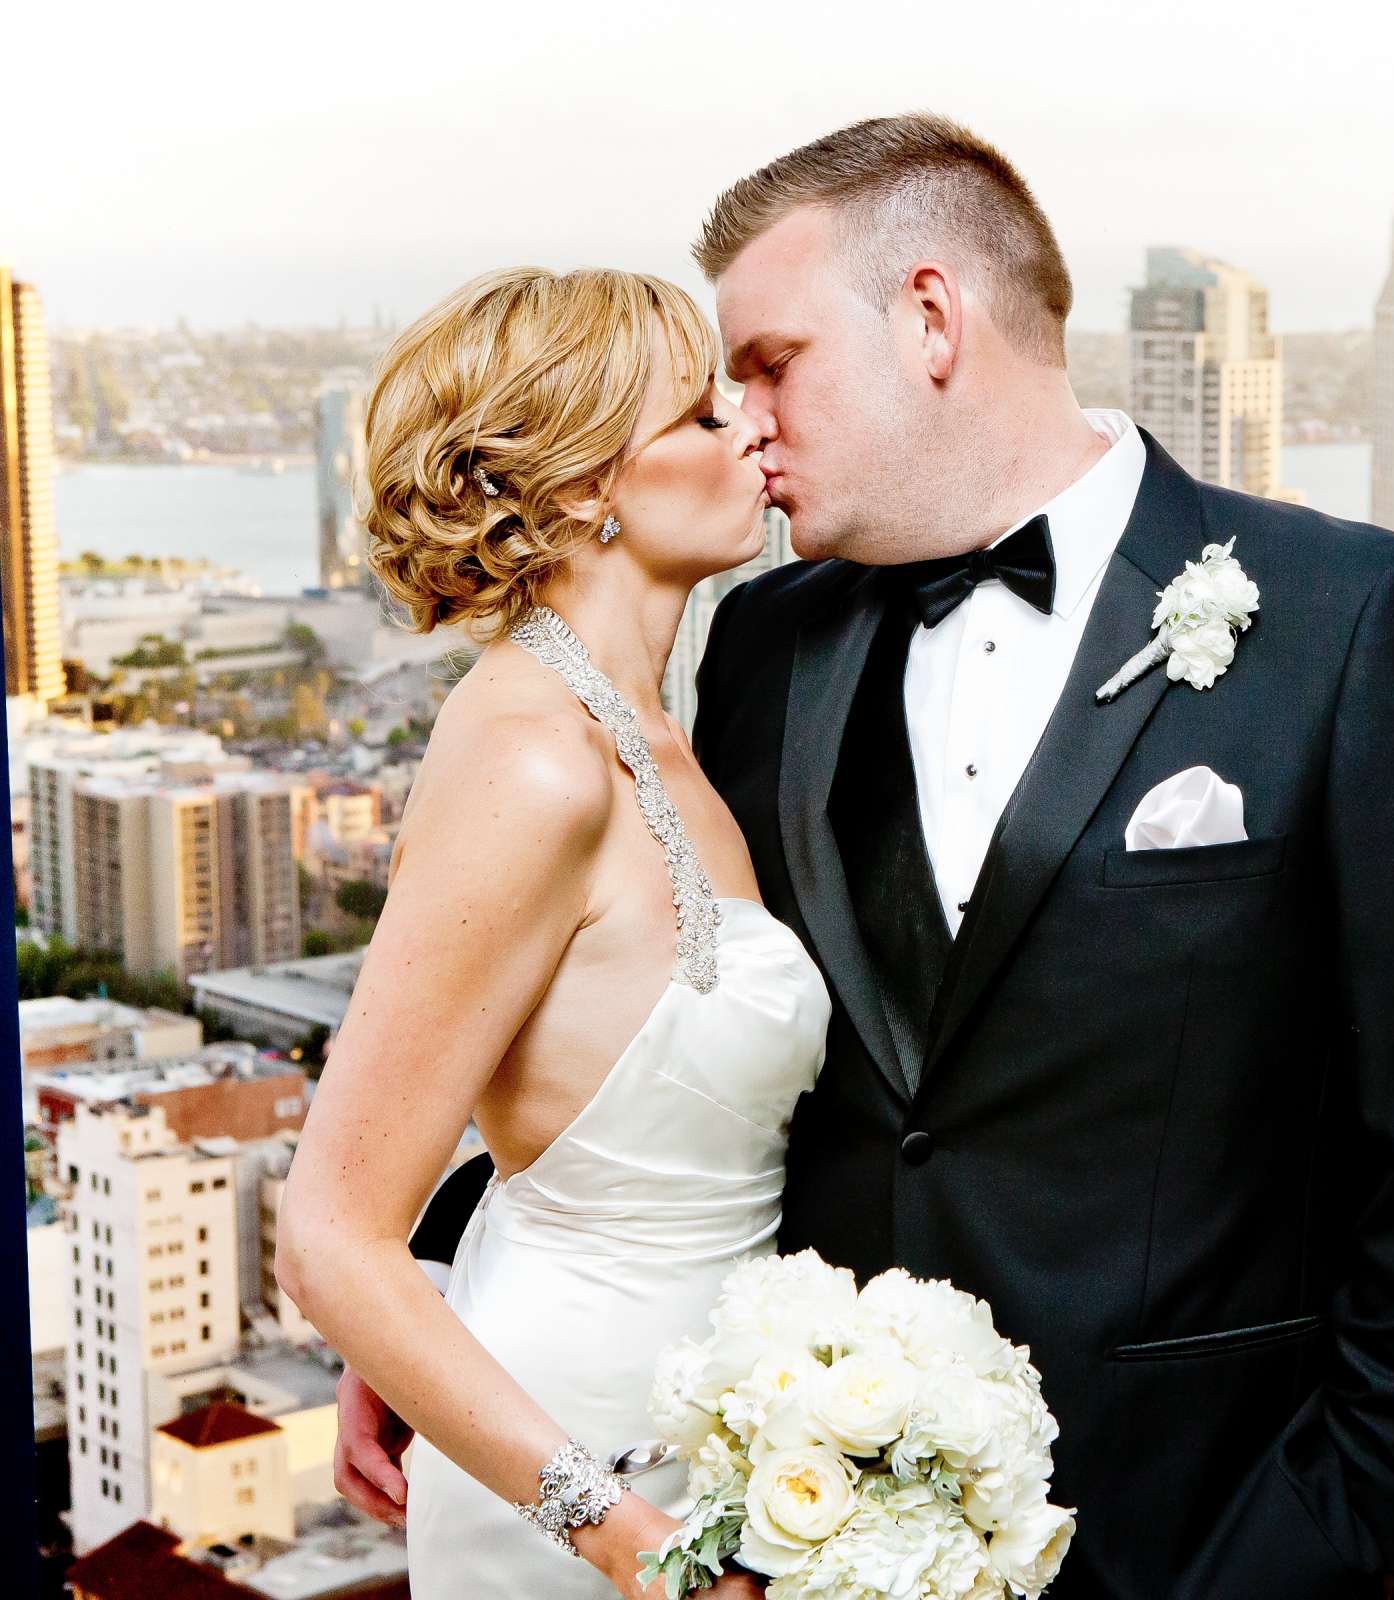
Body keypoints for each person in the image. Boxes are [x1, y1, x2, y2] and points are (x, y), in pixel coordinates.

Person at [340, 115, 1394, 1600]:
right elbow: (664, 1003)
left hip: (1206, 1534)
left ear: (929, 318)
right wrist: (450, 1312)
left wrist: (1336, 1540)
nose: (751, 420)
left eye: (774, 363)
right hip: (809, 1538)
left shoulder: (1348, 621)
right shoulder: (768, 648)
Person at [277, 266, 826, 1599]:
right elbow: (327, 1233)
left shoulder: (662, 736)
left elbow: (544, 1067)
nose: (748, 428)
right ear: (584, 487)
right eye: (700, 416)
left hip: (720, 1441)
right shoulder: (536, 759)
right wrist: (645, 1551)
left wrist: (422, 1325)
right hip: (597, 1494)